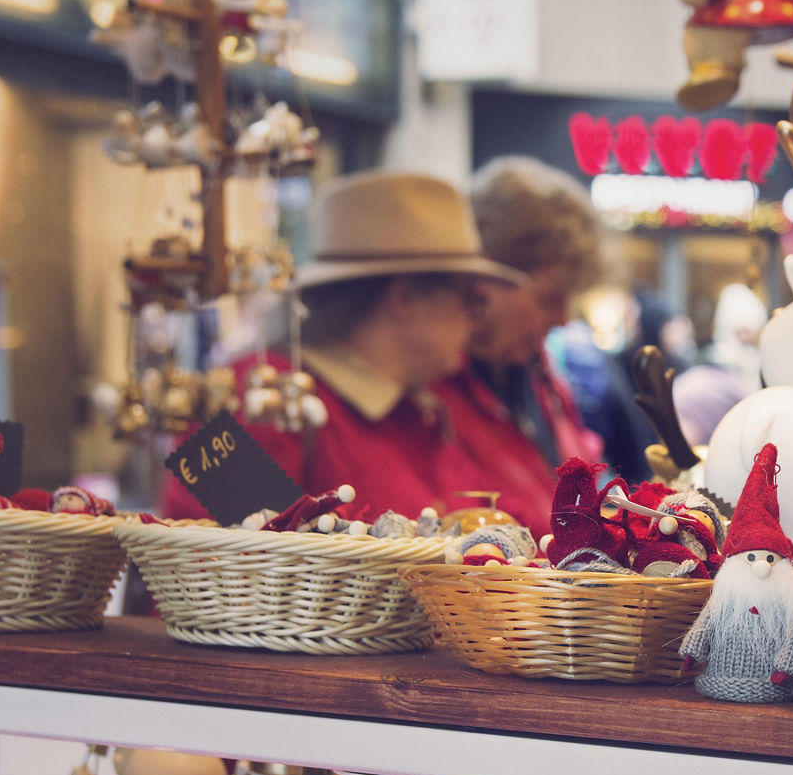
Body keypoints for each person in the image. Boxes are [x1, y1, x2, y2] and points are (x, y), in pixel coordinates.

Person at [163, 171, 551, 529]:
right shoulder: (254, 401)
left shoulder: (417, 412)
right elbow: (208, 575)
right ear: (404, 298)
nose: (475, 319)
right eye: (470, 298)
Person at [433, 157, 605, 520]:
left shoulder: (538, 374)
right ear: (483, 277)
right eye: (548, 298)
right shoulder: (433, 390)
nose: (562, 319)